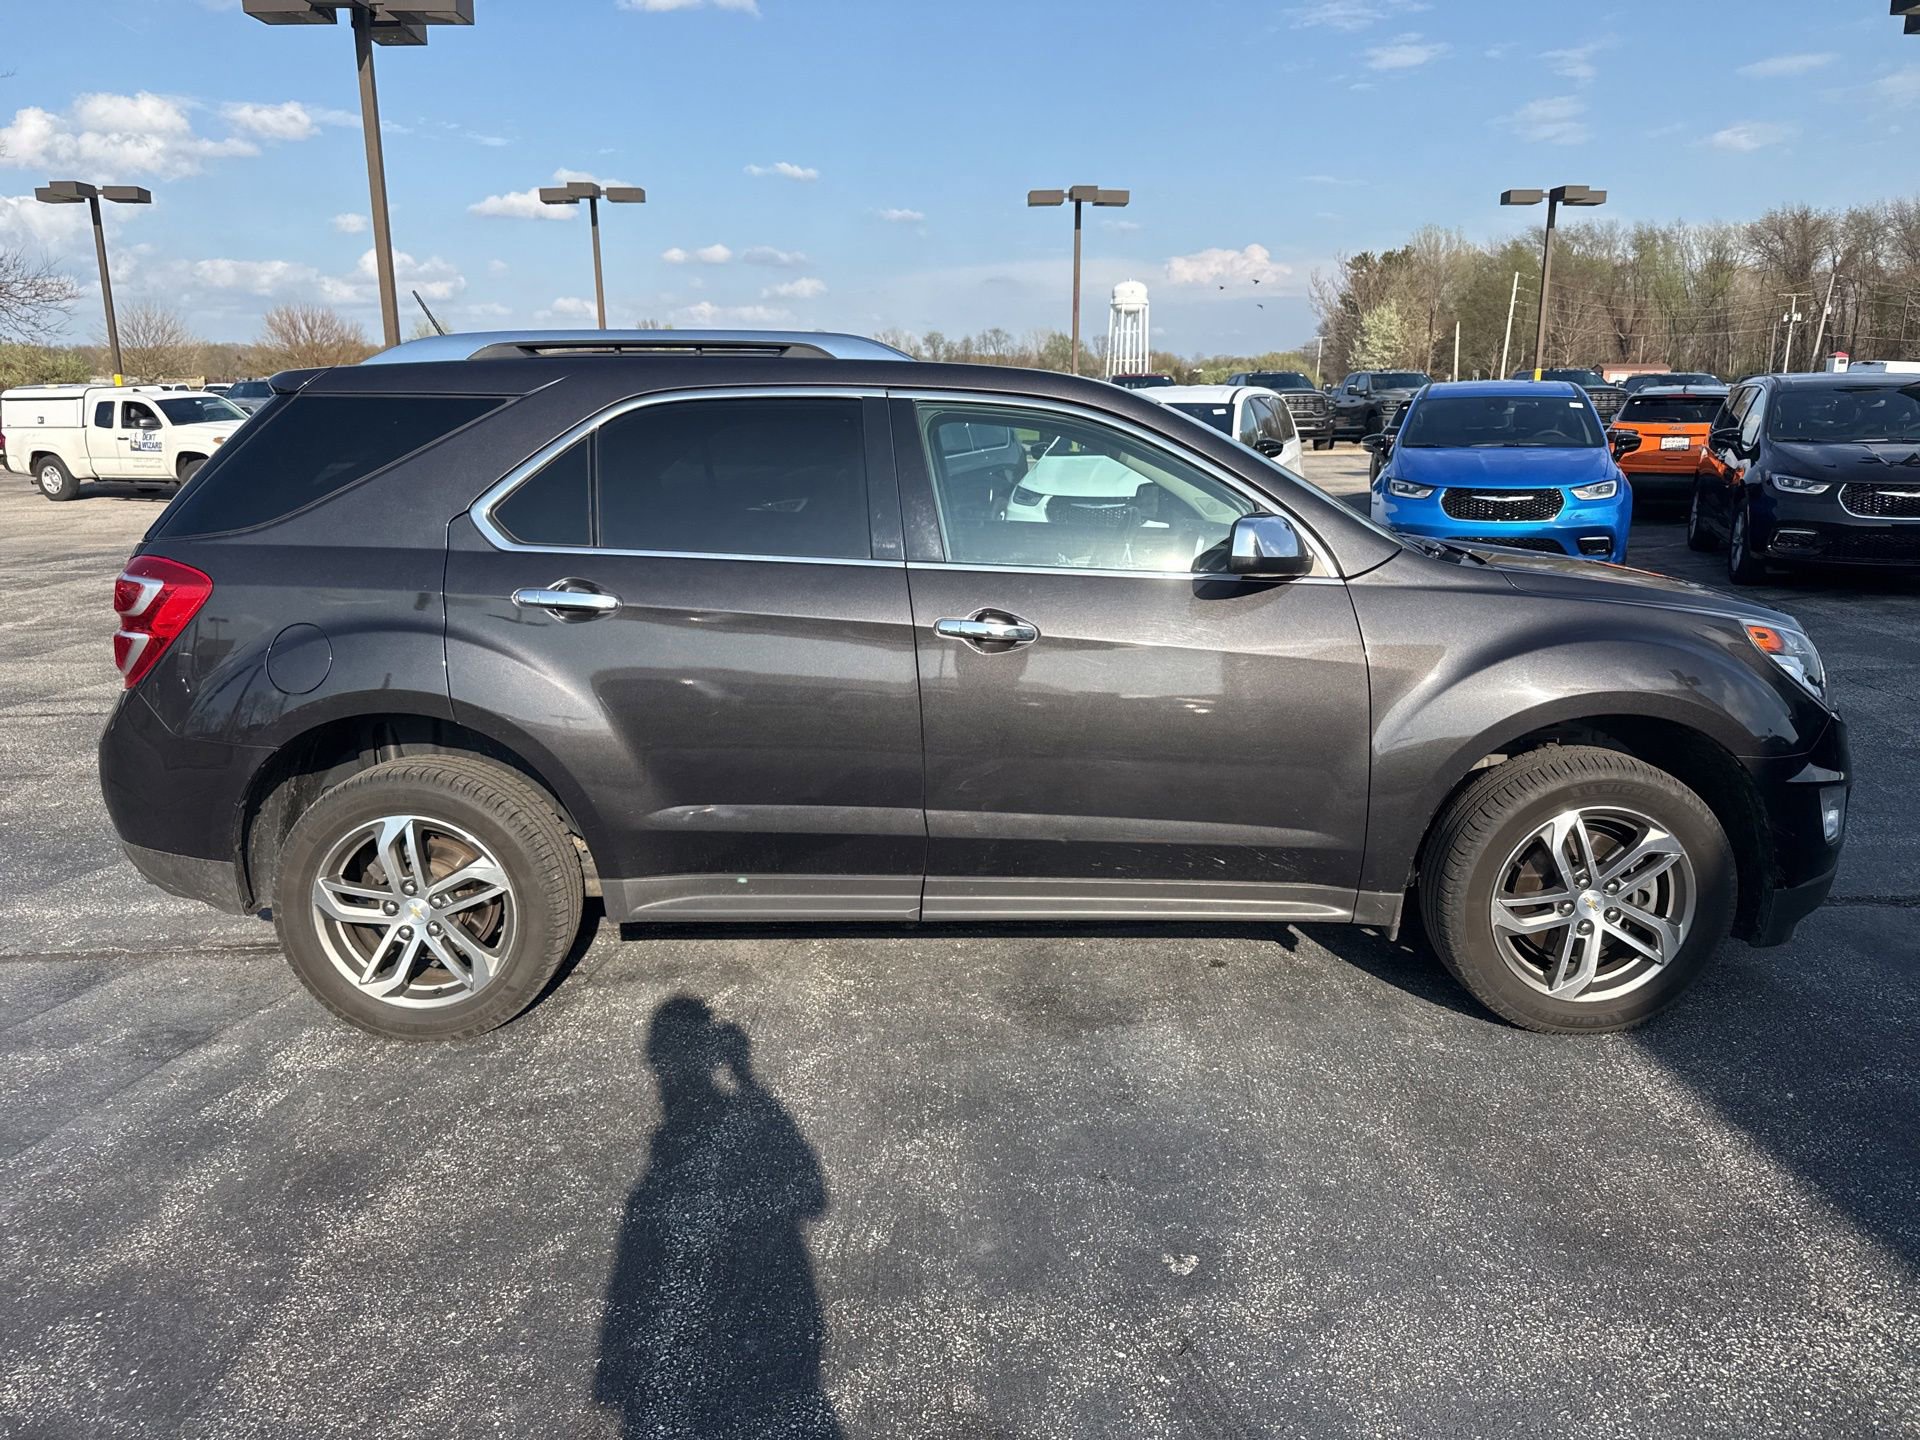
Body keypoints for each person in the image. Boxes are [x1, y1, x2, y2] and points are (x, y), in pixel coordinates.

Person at [594, 996, 840, 1440]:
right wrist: (746, 1081)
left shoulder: (664, 1157)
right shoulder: (704, 1132)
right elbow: (810, 1195)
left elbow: (808, 1196)